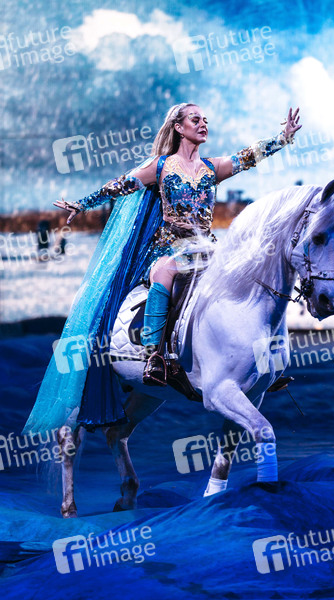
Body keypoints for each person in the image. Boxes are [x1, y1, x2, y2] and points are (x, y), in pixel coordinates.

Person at [23, 102, 301, 436]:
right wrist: (83, 204)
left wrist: (283, 138)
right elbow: (121, 185)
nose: (203, 124)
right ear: (178, 127)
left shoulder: (212, 167)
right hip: (170, 248)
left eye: (205, 120)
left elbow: (248, 157)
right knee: (166, 272)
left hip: (207, 249)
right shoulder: (161, 166)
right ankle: (154, 355)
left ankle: (262, 360)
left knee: (249, 276)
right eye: (195, 119)